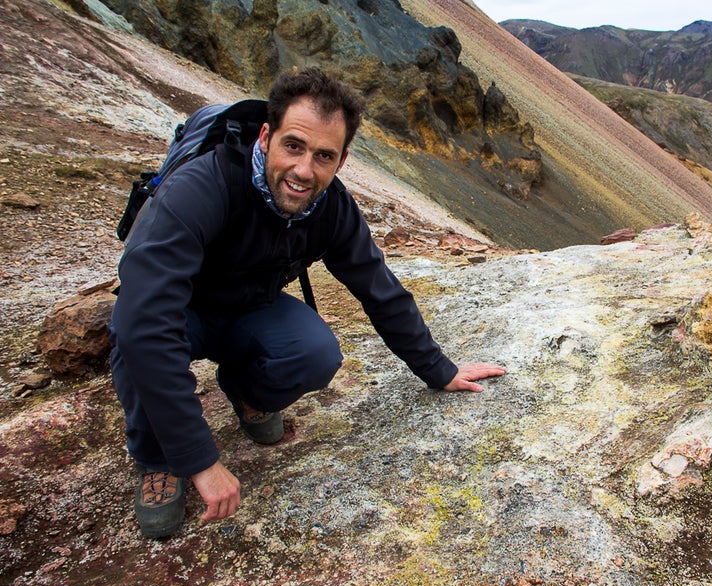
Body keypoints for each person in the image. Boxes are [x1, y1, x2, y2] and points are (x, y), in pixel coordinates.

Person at [109, 68, 506, 539]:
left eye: (323, 156)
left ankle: (245, 391)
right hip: (183, 312)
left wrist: (439, 370)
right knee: (132, 342)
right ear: (265, 137)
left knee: (315, 353)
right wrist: (199, 459)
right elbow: (146, 322)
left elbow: (379, 289)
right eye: (293, 146)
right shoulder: (200, 188)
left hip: (249, 309)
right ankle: (156, 457)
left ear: (341, 162)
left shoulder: (332, 209)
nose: (304, 170)